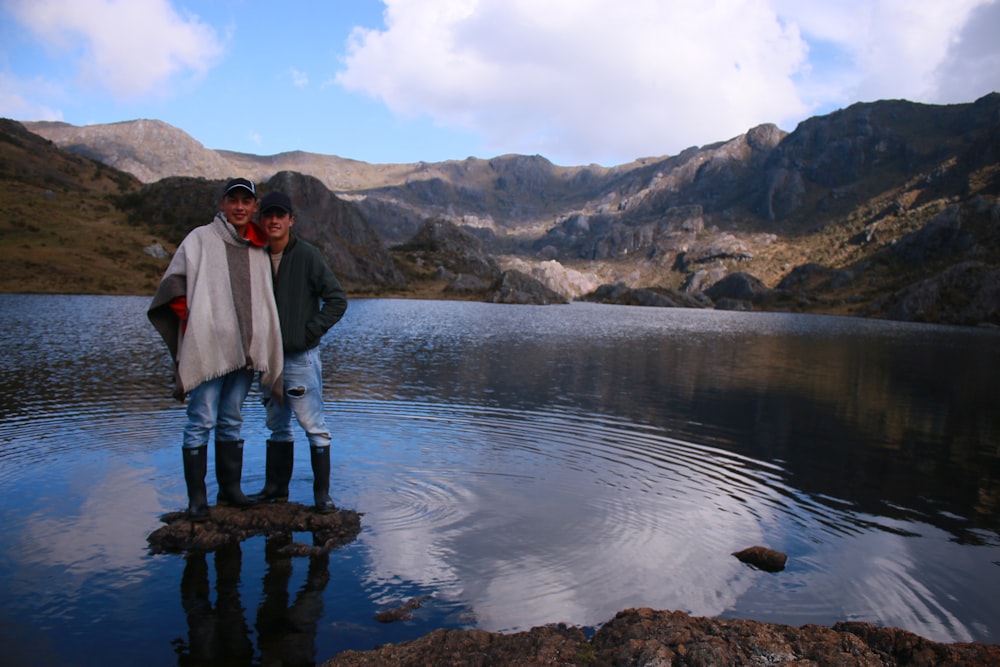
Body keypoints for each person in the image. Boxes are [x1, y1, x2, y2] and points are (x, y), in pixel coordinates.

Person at [148, 177, 284, 521]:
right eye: (233, 200)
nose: (239, 207)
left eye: (246, 201)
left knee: (231, 420)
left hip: (244, 352)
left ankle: (230, 491)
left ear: (254, 207)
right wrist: (197, 325)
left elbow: (262, 301)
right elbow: (174, 286)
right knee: (201, 419)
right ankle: (197, 501)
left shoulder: (257, 246)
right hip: (209, 350)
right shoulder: (200, 239)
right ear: (223, 204)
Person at [251, 191, 347, 512]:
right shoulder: (255, 256)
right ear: (261, 220)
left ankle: (322, 497)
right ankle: (276, 491)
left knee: (314, 426)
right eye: (268, 215)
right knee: (277, 425)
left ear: (291, 221)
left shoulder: (307, 256)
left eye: (281, 215)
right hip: (266, 358)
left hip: (299, 358)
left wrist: (307, 333)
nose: (274, 221)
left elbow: (336, 300)